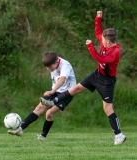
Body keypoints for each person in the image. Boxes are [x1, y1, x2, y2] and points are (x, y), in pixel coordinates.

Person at [40, 11, 126, 145]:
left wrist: (90, 47)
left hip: (107, 82)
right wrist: (98, 18)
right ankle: (53, 101)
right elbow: (98, 31)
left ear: (108, 41)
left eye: (103, 39)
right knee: (76, 88)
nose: (100, 40)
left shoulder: (115, 52)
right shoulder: (106, 43)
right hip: (97, 75)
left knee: (107, 108)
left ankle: (119, 135)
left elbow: (101, 58)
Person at [8, 51, 76, 139]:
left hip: (66, 93)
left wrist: (52, 91)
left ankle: (43, 136)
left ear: (56, 62)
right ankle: (20, 129)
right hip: (55, 91)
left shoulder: (65, 65)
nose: (47, 69)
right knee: (38, 108)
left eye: (49, 67)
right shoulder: (53, 61)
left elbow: (62, 79)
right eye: (46, 67)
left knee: (49, 113)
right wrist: (53, 91)